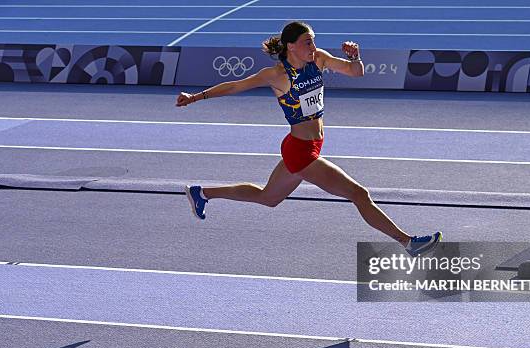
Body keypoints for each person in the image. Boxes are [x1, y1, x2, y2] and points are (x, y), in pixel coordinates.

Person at [176, 21, 442, 256]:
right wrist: (196, 97)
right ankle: (408, 243)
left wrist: (356, 57)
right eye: (307, 42)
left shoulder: (320, 60)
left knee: (268, 197)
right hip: (300, 152)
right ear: (290, 46)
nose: (313, 46)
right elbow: (235, 85)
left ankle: (202, 193)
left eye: (314, 40)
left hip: (309, 146)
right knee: (359, 194)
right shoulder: (277, 75)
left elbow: (355, 72)